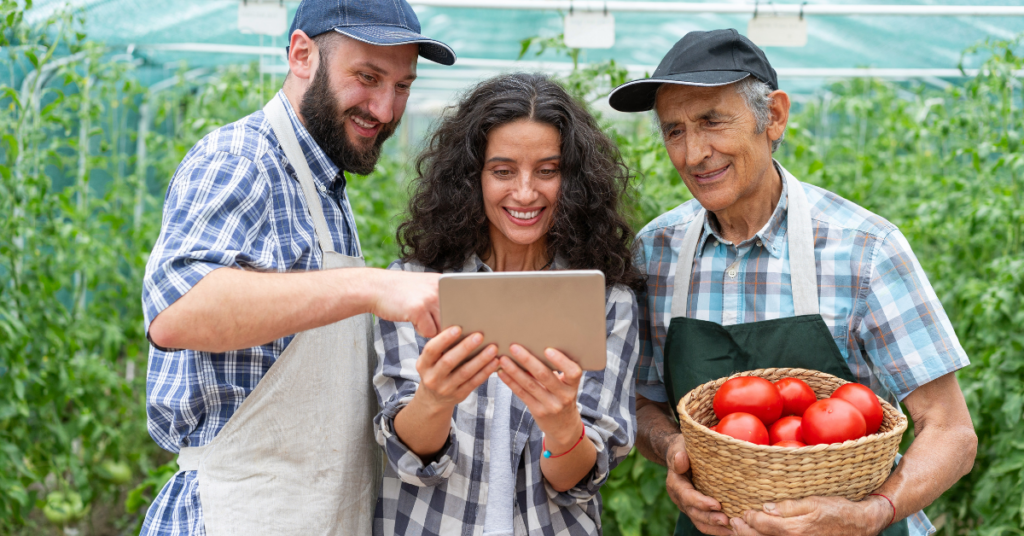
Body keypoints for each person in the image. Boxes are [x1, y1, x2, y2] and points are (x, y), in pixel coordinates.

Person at [607, 29, 977, 536]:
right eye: (674, 131)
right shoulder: (656, 252)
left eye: (712, 121)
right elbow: (639, 402)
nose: (693, 154)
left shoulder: (864, 249)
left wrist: (871, 513)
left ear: (774, 117)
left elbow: (951, 431)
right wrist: (672, 447)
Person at [139, 1, 457, 534]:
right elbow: (177, 311)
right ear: (302, 55)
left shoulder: (322, 181)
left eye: (402, 86)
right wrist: (369, 285)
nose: (385, 109)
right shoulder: (244, 158)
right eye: (367, 77)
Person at [372, 73, 642, 536]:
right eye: (502, 171)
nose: (525, 192)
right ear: (471, 177)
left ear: (573, 179)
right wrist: (434, 400)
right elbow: (412, 462)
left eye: (547, 170)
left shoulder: (605, 301)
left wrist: (562, 425)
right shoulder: (416, 287)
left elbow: (574, 481)